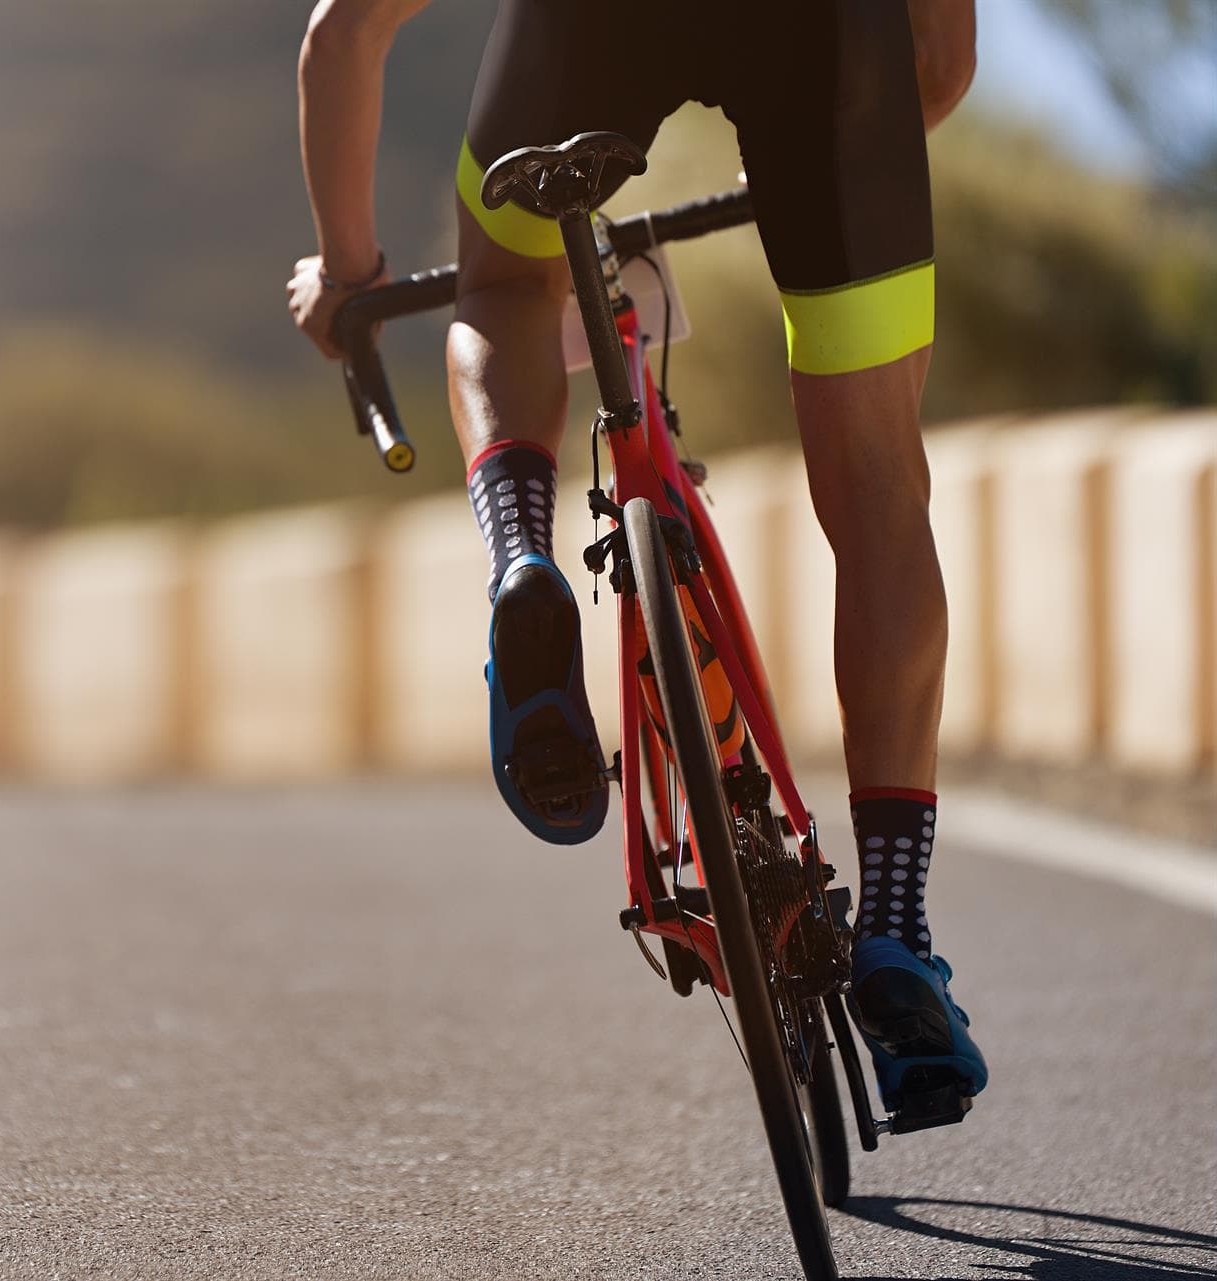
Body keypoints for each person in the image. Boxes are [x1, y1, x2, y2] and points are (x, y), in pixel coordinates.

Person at [287, 0, 987, 1113]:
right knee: (881, 495)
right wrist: (835, 173)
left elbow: (344, 31)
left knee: (508, 284)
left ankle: (523, 549)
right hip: (829, 42)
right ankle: (896, 928)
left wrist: (348, 267)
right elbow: (940, 67)